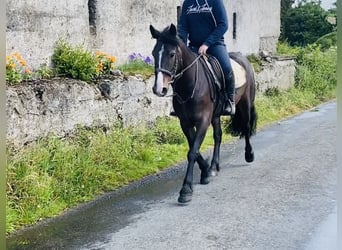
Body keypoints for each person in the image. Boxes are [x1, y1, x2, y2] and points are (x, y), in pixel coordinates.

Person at [176, 0, 235, 116]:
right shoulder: (188, 3)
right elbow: (183, 27)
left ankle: (230, 100)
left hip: (215, 45)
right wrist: (181, 46)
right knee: (179, 69)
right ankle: (179, 105)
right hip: (193, 46)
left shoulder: (215, 2)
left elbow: (223, 24)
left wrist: (207, 44)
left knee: (226, 68)